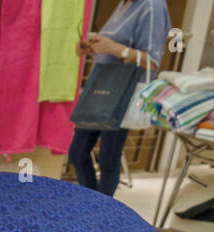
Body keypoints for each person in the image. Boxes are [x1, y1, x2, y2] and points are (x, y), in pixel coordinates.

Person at [68, 0, 171, 196]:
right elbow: (114, 44)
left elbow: (152, 61)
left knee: (108, 158)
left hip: (124, 90)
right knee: (78, 152)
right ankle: (93, 206)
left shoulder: (152, 5)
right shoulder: (124, 4)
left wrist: (114, 48)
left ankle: (101, 215)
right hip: (102, 85)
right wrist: (92, 47)